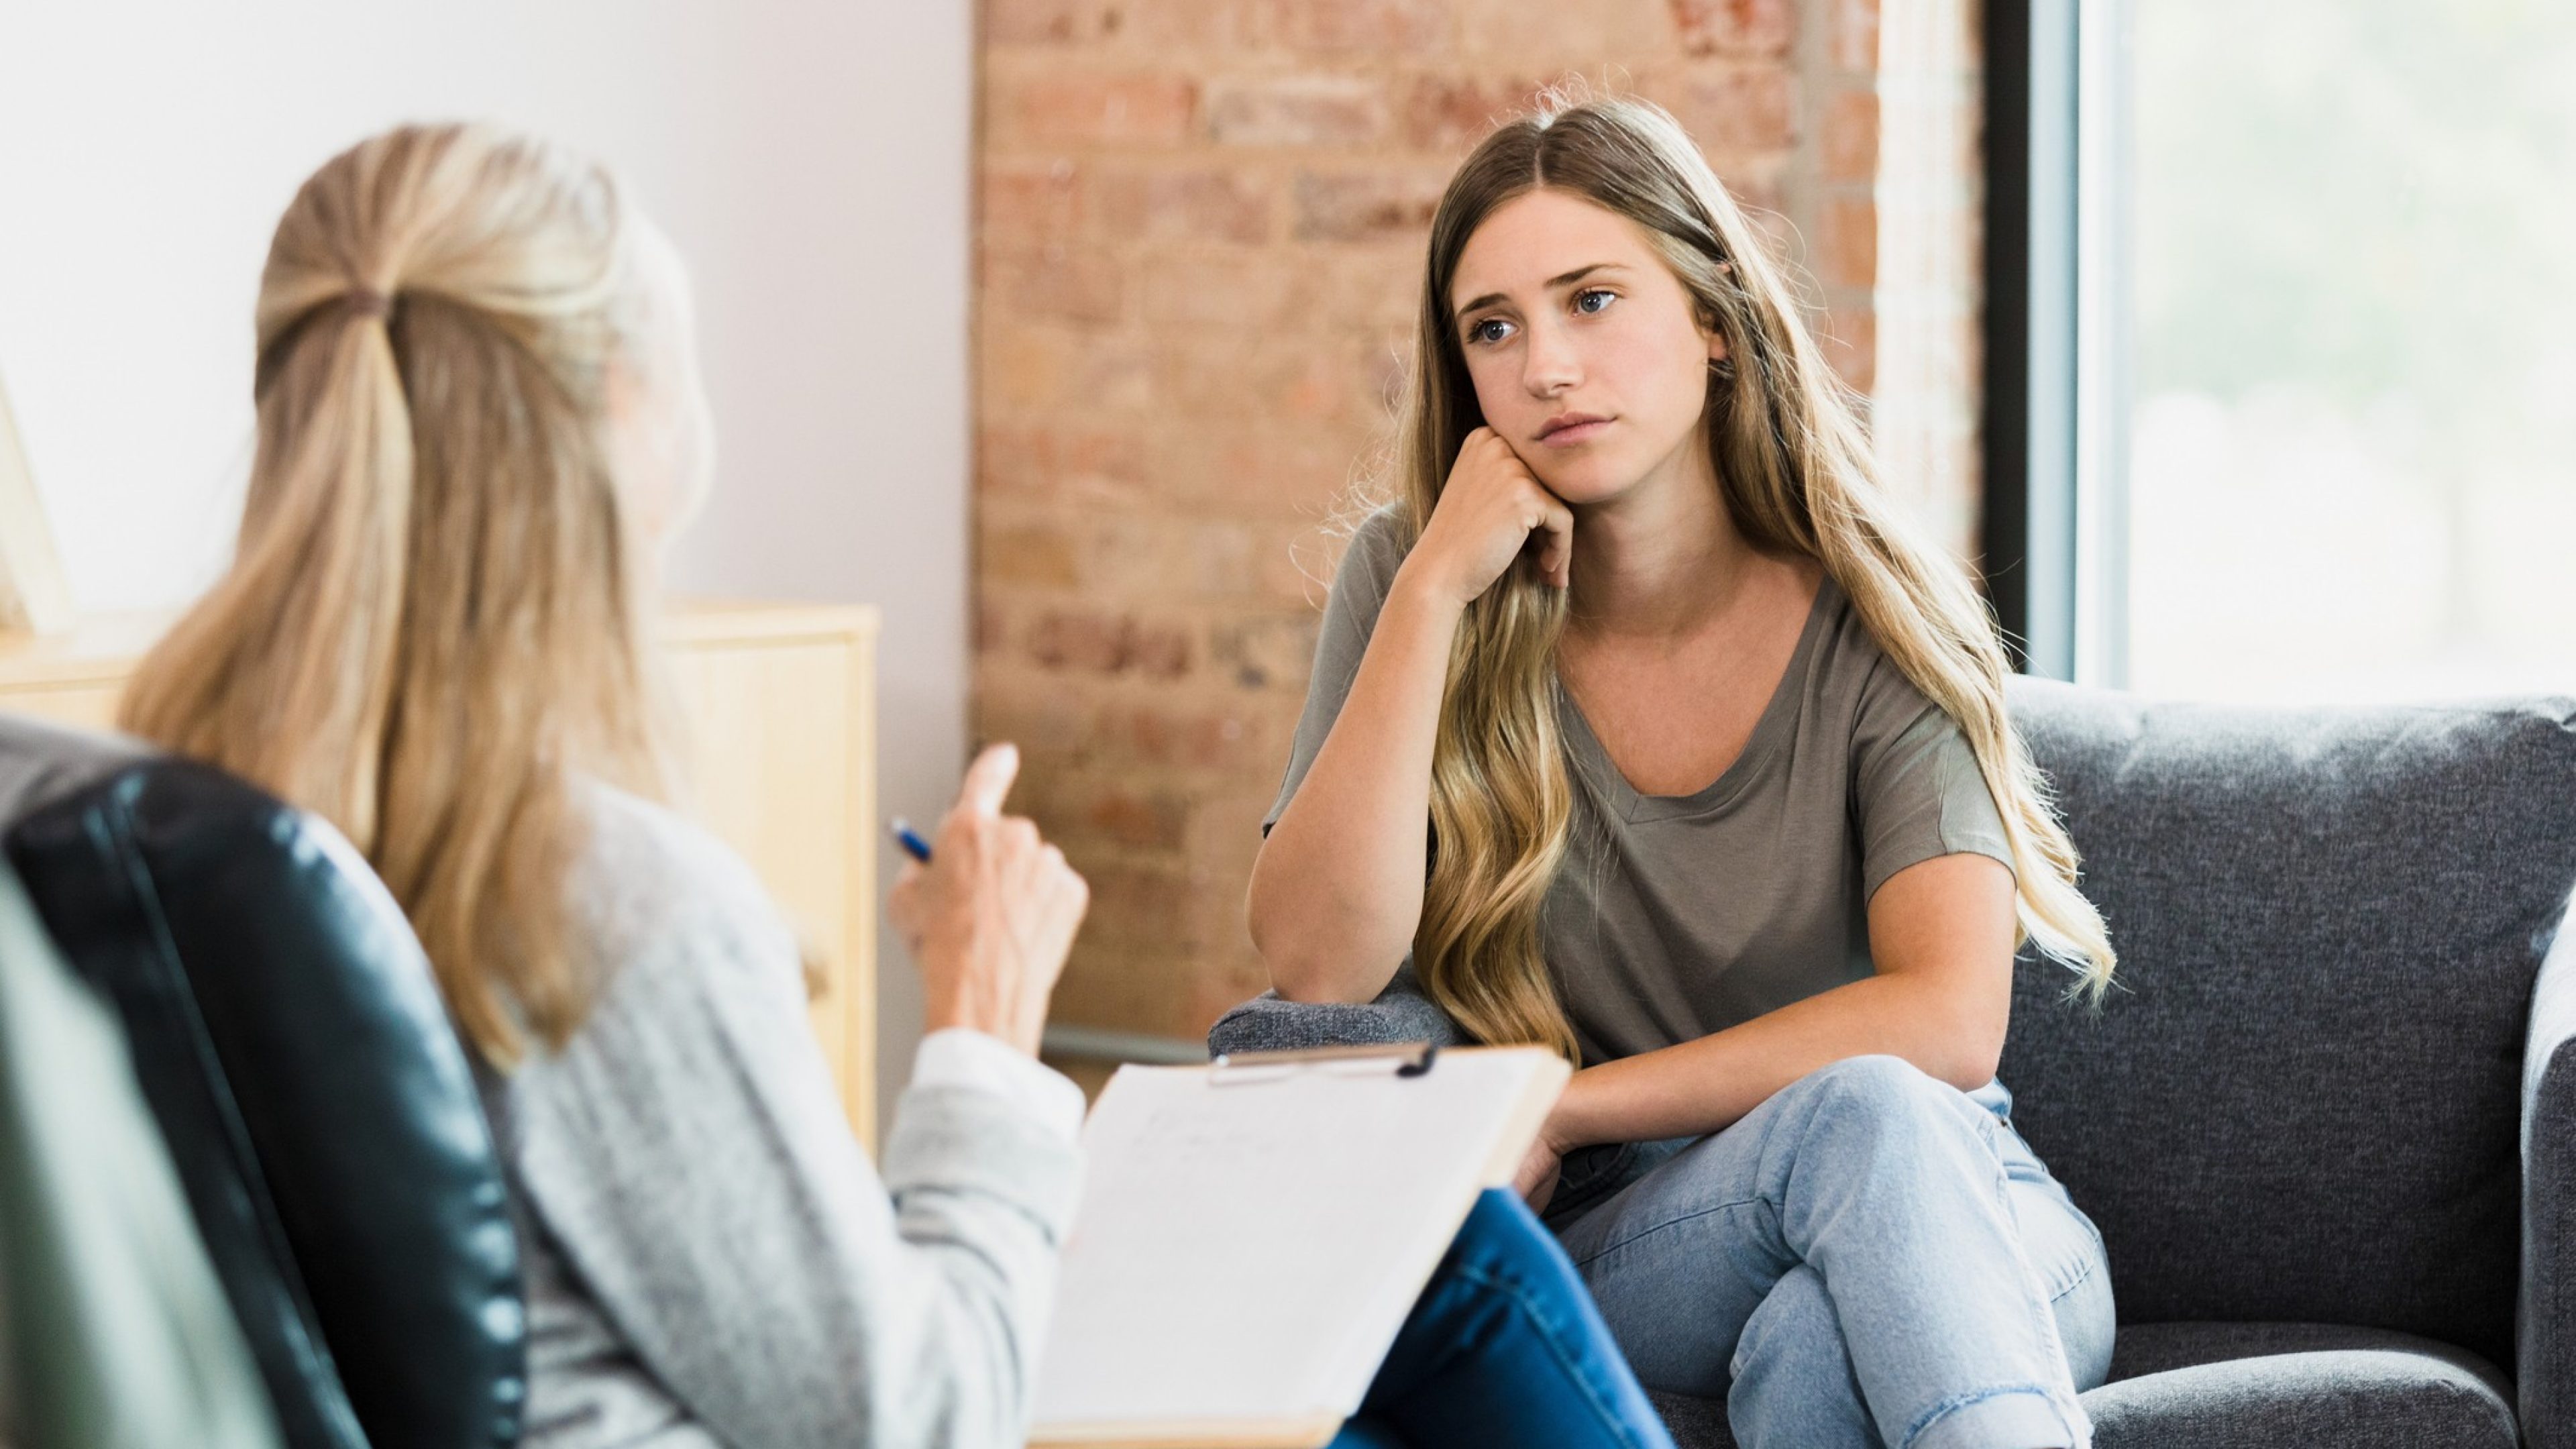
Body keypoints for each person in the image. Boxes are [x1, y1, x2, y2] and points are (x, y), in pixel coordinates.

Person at [115, 121, 1674, 1449]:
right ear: (617, 425)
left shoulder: (170, 821)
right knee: (1460, 1270)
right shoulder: (587, 900)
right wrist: (985, 1028)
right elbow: (913, 1416)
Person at [1248, 95, 2120, 1449]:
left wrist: (1562, 1098)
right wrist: (1427, 594)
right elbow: (1318, 963)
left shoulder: (1871, 608)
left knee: (1823, 1331)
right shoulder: (1411, 581)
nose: (1546, 366)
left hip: (1968, 1209)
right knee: (1854, 1146)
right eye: (1496, 327)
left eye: (1592, 301)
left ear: (1714, 316)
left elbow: (1950, 1021)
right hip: (1643, 1237)